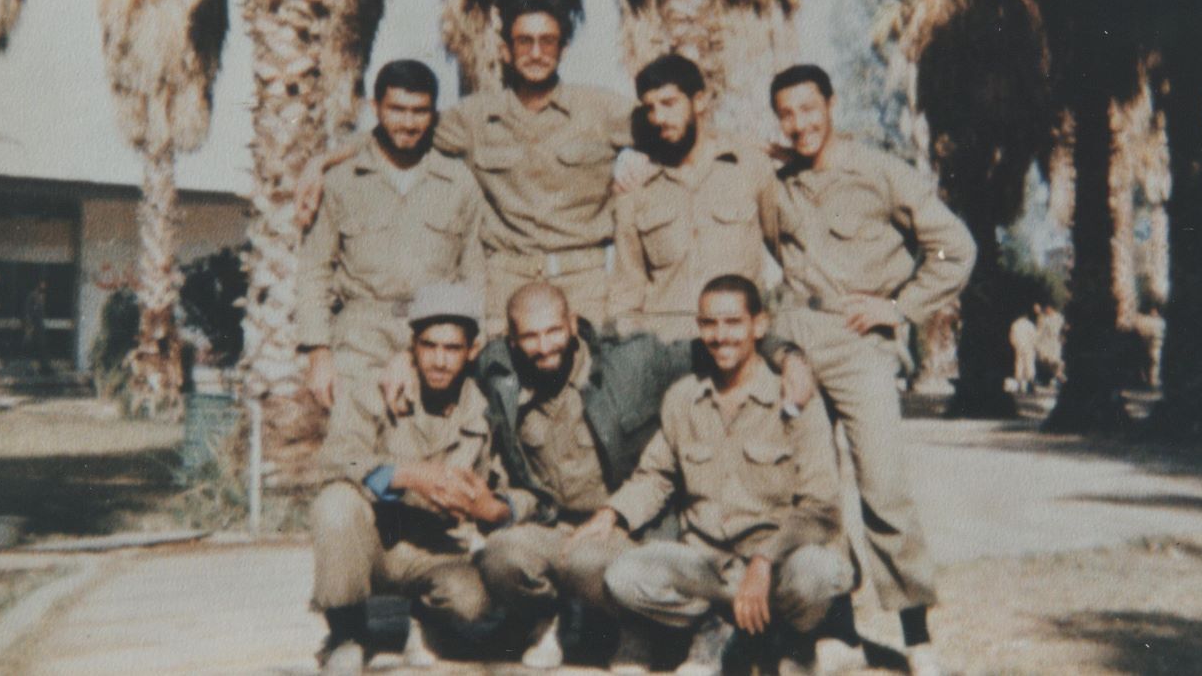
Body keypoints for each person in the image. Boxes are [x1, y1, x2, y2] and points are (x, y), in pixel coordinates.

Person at [379, 281, 817, 669]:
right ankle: (542, 620)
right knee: (501, 555)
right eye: (530, 336)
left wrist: (788, 356)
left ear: (573, 324)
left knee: (591, 563)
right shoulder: (500, 369)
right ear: (512, 341)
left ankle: (633, 629)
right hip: (550, 524)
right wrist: (404, 359)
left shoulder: (631, 363)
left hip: (622, 525)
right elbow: (447, 351)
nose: (544, 346)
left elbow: (716, 344)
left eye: (554, 331)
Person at [768, 65, 977, 676]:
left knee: (883, 488)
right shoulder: (776, 183)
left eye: (809, 108)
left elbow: (955, 247)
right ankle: (839, 631)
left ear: (831, 104)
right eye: (787, 113)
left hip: (860, 341)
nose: (800, 124)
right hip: (799, 339)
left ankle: (917, 636)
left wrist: (900, 308)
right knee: (815, 490)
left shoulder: (880, 171)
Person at [297, 0, 634, 335]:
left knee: (591, 365)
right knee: (497, 366)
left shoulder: (601, 110)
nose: (536, 52)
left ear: (563, 48)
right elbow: (403, 130)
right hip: (504, 282)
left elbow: (662, 130)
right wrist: (322, 162)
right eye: (524, 41)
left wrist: (640, 162)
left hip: (584, 283)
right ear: (505, 50)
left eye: (547, 41)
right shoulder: (474, 118)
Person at [578, 275, 854, 675]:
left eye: (733, 323)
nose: (720, 336)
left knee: (819, 572)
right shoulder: (683, 399)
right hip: (707, 568)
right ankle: (719, 626)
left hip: (776, 563)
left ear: (759, 325)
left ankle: (791, 638)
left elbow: (821, 506)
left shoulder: (795, 399)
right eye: (709, 324)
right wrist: (612, 513)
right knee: (624, 576)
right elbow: (655, 476)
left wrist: (765, 558)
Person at [311, 283, 529, 675]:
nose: (440, 361)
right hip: (375, 540)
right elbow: (338, 458)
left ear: (472, 351)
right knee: (335, 504)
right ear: (412, 345)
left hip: (436, 547)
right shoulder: (373, 389)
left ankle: (424, 622)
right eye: (429, 346)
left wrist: (493, 508)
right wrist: (406, 475)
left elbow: (515, 485)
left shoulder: (486, 407)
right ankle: (347, 632)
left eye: (452, 349)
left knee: (471, 604)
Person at [294, 59, 483, 411]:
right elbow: (314, 271)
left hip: (434, 336)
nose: (408, 123)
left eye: (419, 111)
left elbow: (473, 273)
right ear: (375, 107)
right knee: (354, 435)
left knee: (429, 436)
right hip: (360, 336)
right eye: (397, 109)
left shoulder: (459, 183)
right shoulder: (342, 181)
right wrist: (318, 354)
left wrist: (470, 342)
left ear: (434, 114)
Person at [611, 54, 781, 340]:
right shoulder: (637, 188)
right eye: (650, 108)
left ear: (699, 101)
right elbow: (627, 292)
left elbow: (792, 254)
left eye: (669, 103)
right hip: (668, 348)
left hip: (738, 345)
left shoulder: (749, 168)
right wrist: (633, 349)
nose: (658, 118)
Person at [1034, 303, 1067, 386]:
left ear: (1051, 308)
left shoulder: (1059, 317)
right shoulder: (1044, 318)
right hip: (1046, 342)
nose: (1047, 310)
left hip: (1055, 342)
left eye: (1048, 308)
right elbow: (1040, 331)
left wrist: (1063, 335)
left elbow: (1063, 327)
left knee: (1056, 360)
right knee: (1047, 360)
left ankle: (1058, 376)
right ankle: (1056, 377)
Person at [22, 279, 49, 374]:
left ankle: (44, 367)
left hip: (39, 325)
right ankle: (29, 369)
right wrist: (29, 326)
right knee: (30, 347)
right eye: (42, 283)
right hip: (32, 325)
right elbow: (27, 312)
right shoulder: (32, 296)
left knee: (41, 346)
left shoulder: (41, 296)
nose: (44, 285)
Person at [1009, 308, 1038, 394]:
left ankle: (1019, 385)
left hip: (1019, 347)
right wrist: (1034, 346)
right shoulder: (1029, 324)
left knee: (1019, 364)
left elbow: (1012, 337)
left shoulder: (1015, 324)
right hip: (1028, 347)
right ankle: (1031, 384)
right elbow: (1034, 336)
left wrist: (1015, 345)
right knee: (1029, 364)